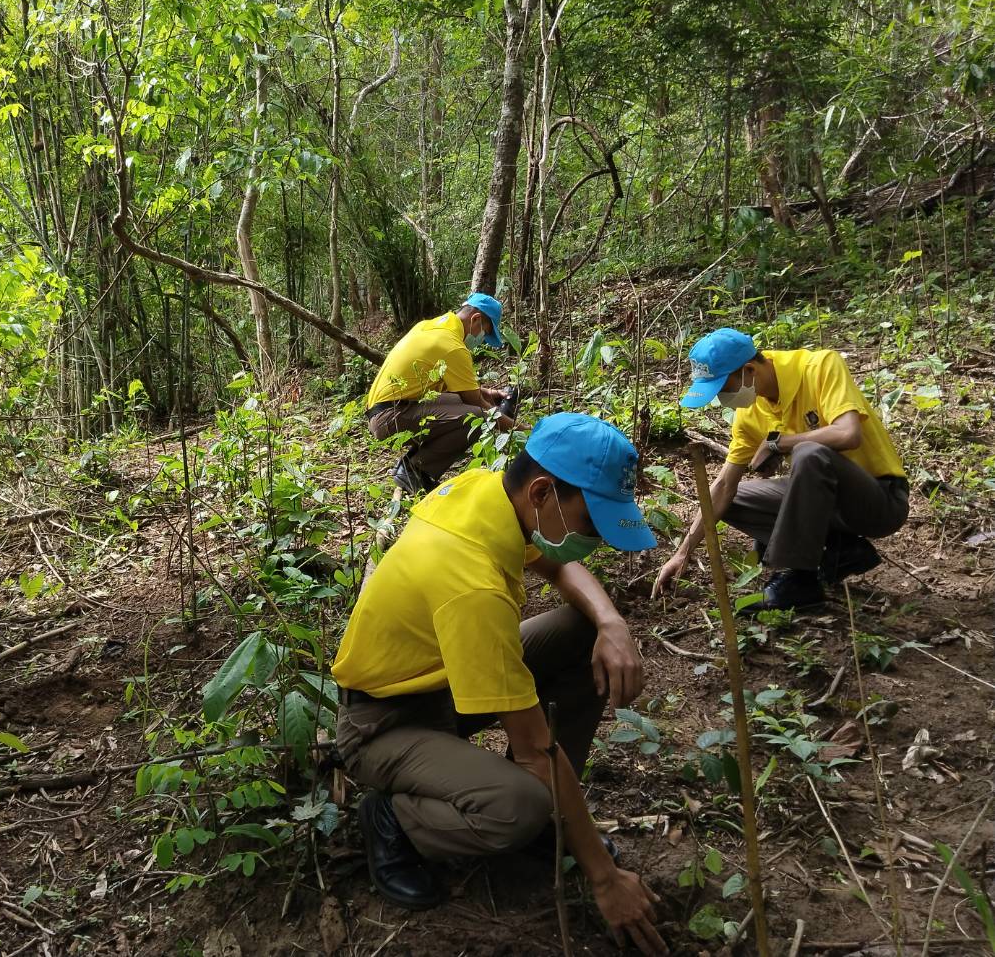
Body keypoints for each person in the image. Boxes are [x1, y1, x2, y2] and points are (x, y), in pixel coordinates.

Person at [332, 413, 665, 955]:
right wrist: (603, 878)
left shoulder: (489, 490)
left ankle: (547, 823)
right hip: (384, 722)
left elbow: (559, 569)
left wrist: (611, 622)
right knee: (521, 804)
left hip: (441, 683)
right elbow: (537, 749)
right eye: (591, 524)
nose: (595, 540)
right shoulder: (471, 585)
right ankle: (393, 818)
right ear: (542, 491)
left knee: (581, 632)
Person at [653, 327, 908, 611]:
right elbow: (724, 485)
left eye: (724, 390)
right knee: (730, 500)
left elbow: (848, 434)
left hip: (878, 499)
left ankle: (799, 579)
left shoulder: (819, 366)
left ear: (749, 370)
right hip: (827, 508)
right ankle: (838, 550)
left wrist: (779, 443)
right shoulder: (749, 414)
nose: (722, 400)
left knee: (809, 453)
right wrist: (683, 553)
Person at [364, 293, 519, 494]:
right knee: (478, 417)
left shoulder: (429, 327)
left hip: (387, 410)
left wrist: (486, 392)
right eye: (485, 333)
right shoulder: (452, 346)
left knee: (460, 404)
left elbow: (452, 387)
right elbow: (480, 406)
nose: (481, 340)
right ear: (476, 319)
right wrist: (520, 429)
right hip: (389, 416)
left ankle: (413, 465)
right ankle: (416, 469)